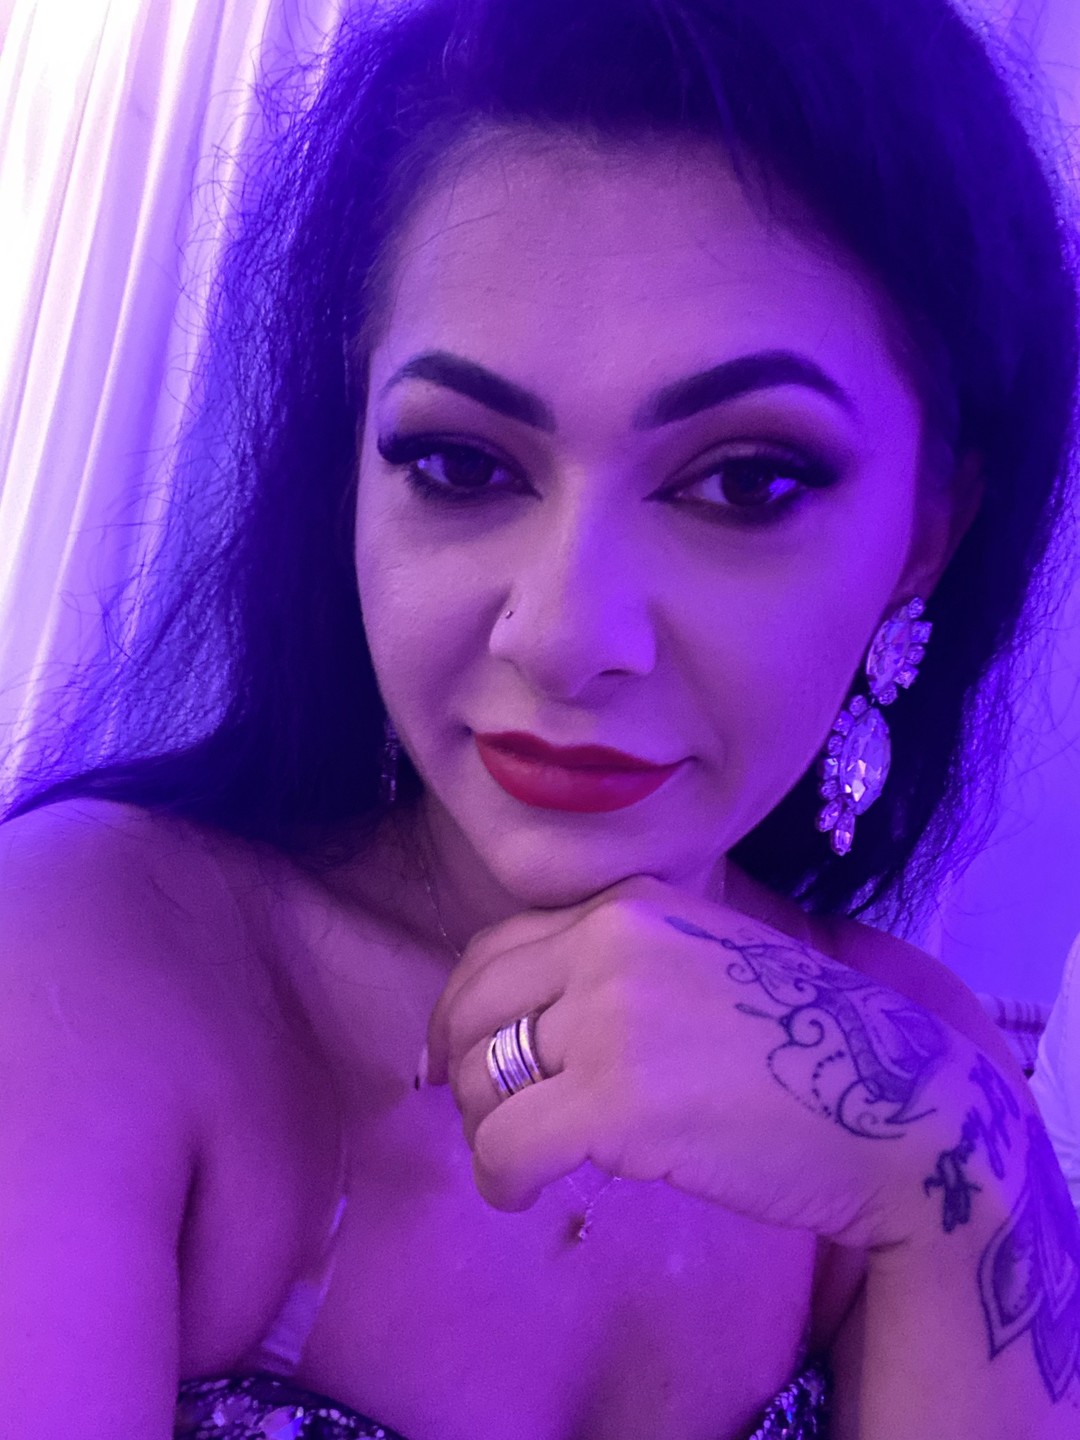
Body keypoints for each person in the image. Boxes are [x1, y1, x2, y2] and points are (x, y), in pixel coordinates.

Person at [1, 0, 1079, 1435]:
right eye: (461, 464)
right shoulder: (93, 966)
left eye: (745, 482)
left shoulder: (913, 1070)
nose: (564, 635)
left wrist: (964, 1183)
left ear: (923, 540)